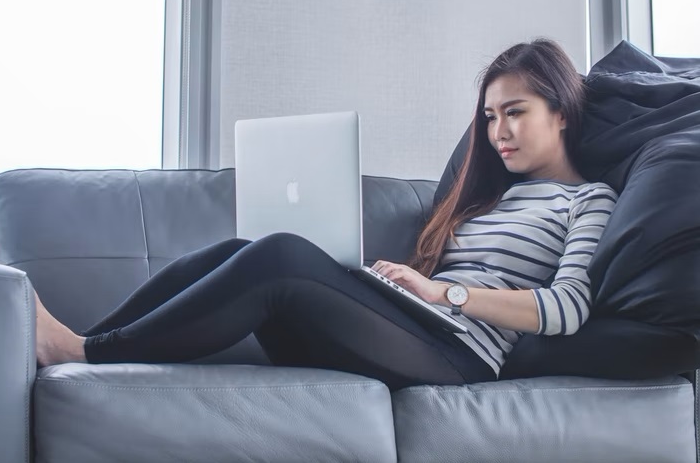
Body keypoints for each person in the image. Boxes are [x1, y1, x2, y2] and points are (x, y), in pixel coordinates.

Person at [35, 38, 618, 390]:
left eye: (513, 112)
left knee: (282, 255)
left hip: (460, 356)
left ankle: (83, 353)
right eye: (489, 117)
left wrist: (446, 295)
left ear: (561, 111)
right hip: (414, 327)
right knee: (242, 251)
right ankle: (86, 342)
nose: (498, 133)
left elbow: (567, 309)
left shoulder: (588, 200)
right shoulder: (490, 197)